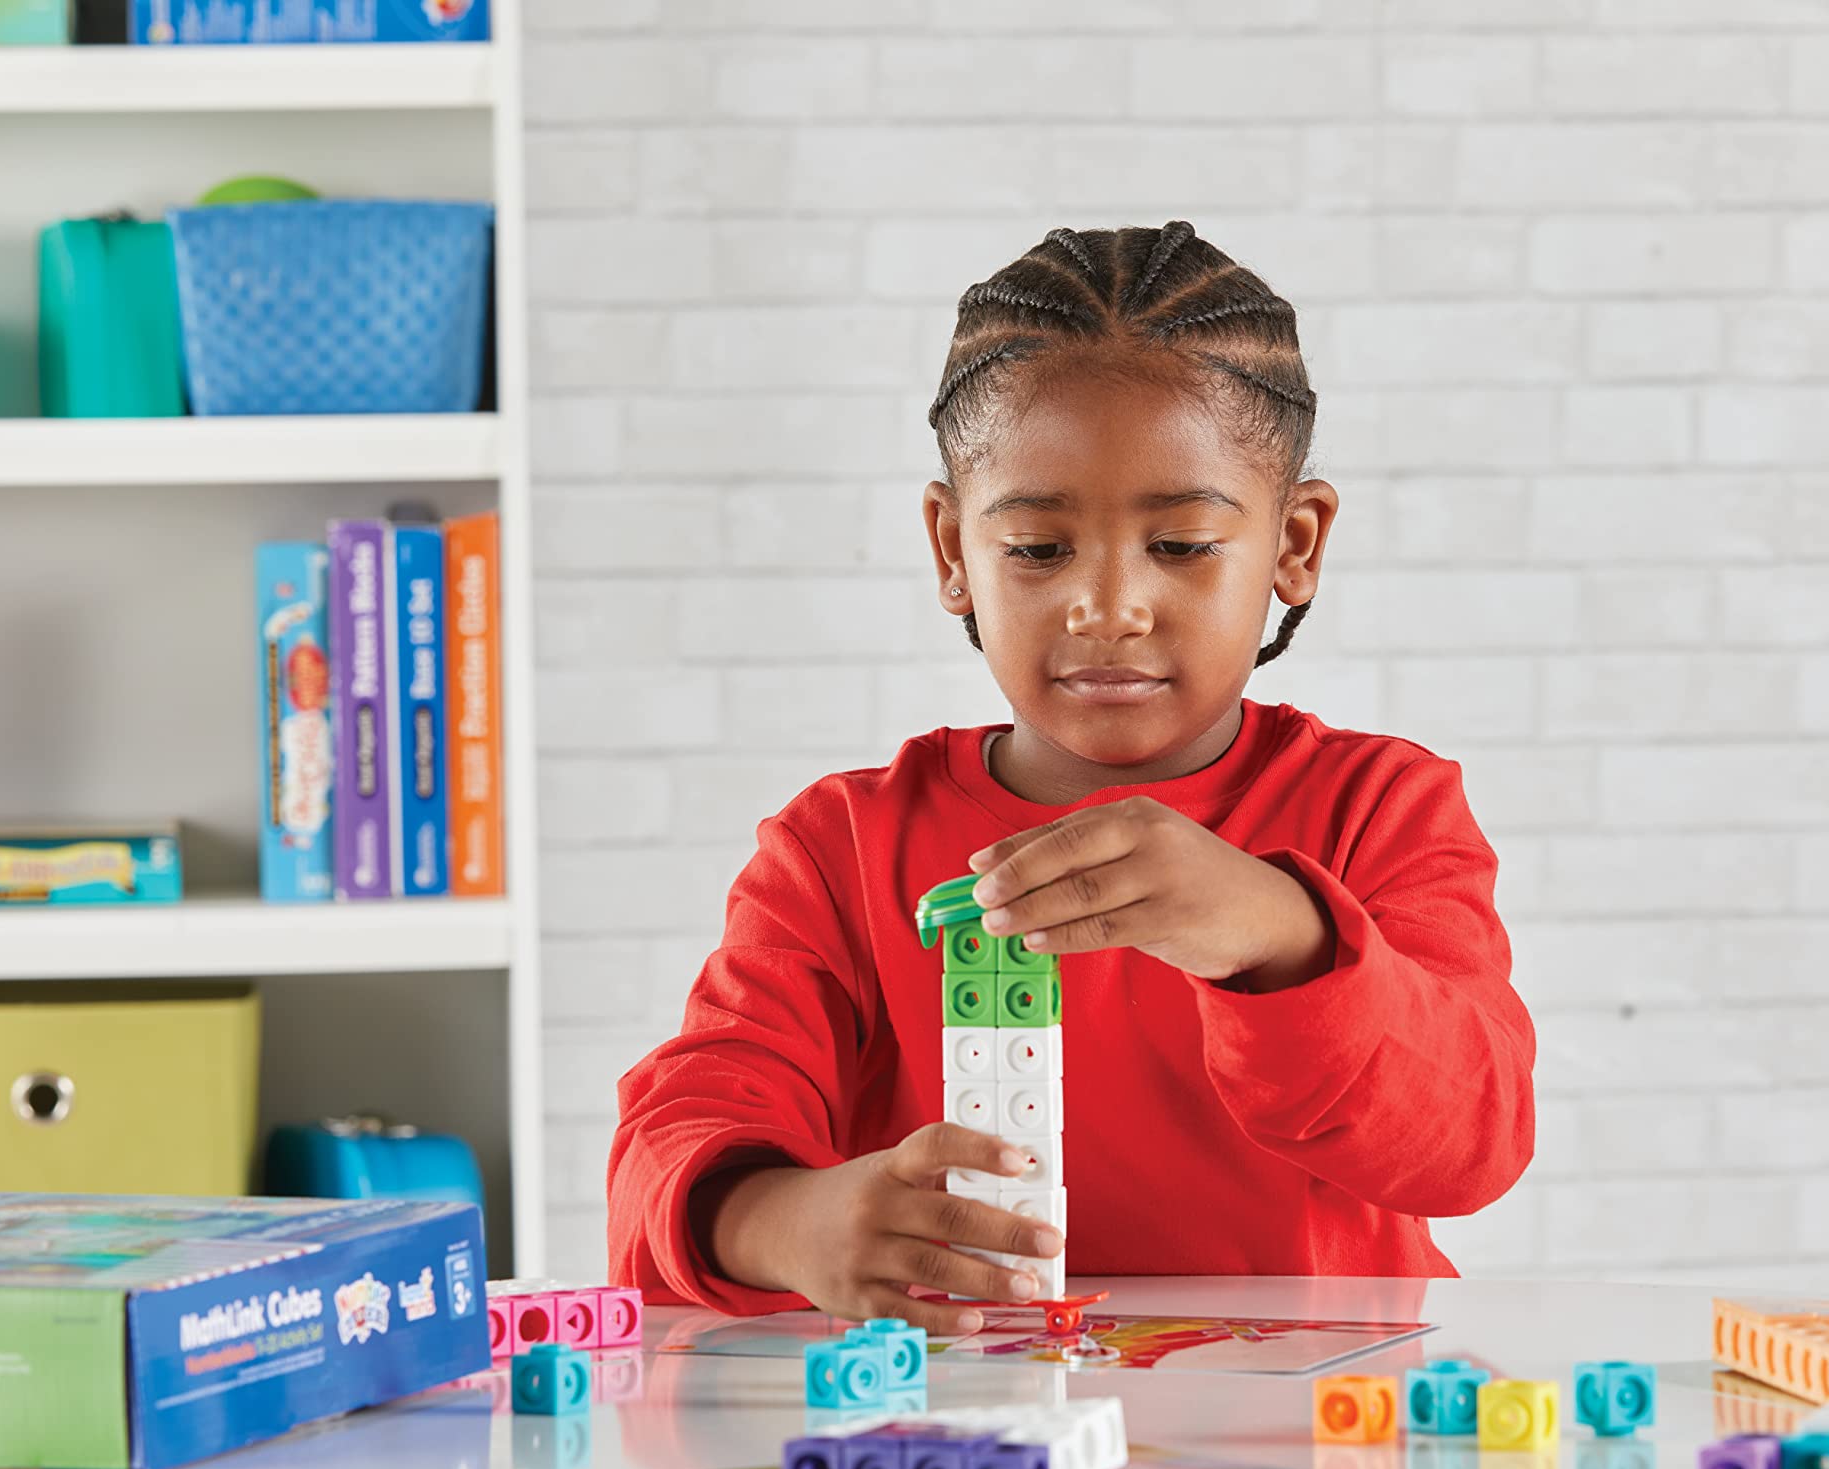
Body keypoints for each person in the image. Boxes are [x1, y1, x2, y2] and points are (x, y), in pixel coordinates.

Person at [608, 221, 1536, 1333]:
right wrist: (790, 1222)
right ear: (954, 552)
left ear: (1294, 544)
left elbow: (1474, 1142)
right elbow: (675, 1140)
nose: (1107, 607)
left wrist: (1279, 935)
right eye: (1039, 551)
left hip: (1323, 1454)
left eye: (1183, 545)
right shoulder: (838, 849)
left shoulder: (1381, 808)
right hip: (973, 1435)